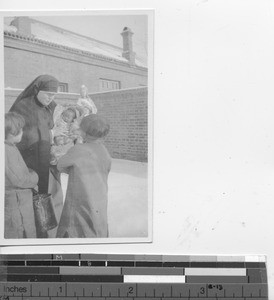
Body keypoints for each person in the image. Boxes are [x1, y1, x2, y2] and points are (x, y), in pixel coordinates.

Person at [9, 74, 62, 238]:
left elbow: (49, 128)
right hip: (29, 161)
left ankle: (46, 230)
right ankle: (36, 234)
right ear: (37, 90)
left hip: (45, 157)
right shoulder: (23, 106)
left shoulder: (48, 107)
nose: (50, 98)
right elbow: (19, 135)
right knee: (34, 197)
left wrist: (54, 141)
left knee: (48, 196)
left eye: (53, 95)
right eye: (48, 94)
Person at [56, 114, 111, 238]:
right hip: (99, 196)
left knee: (76, 224)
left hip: (80, 197)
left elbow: (61, 165)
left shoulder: (78, 150)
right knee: (96, 223)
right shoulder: (104, 150)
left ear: (84, 133)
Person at [5, 112, 39, 239]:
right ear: (11, 132)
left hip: (15, 198)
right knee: (20, 231)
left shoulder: (10, 146)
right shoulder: (7, 150)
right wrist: (35, 176)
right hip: (17, 199)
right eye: (20, 130)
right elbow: (20, 180)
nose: (22, 132)